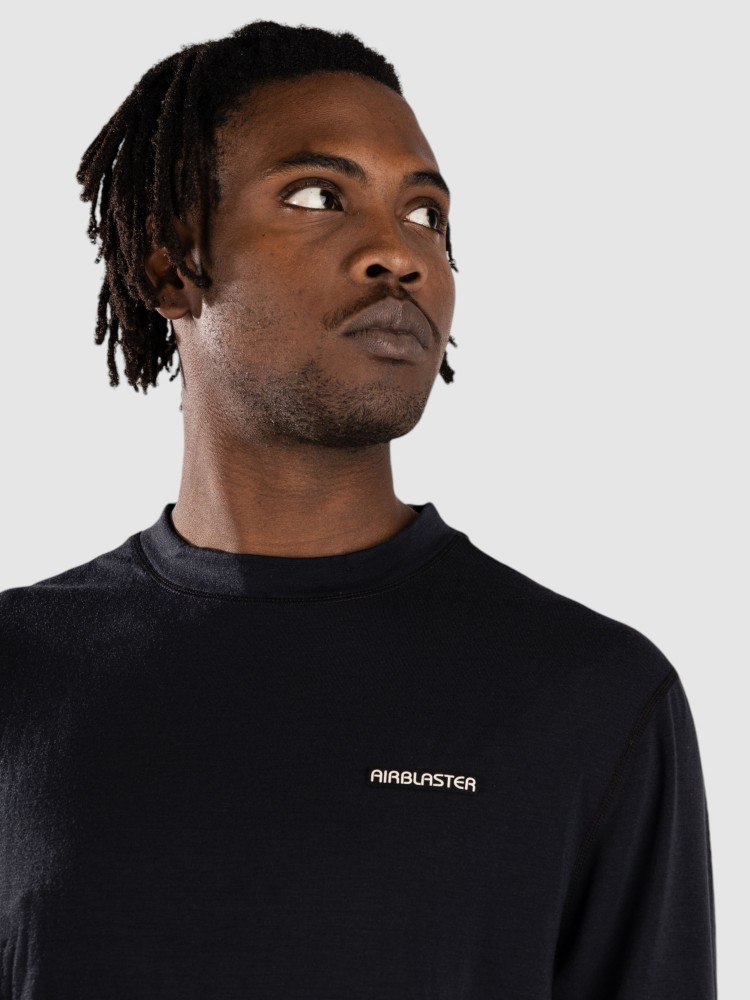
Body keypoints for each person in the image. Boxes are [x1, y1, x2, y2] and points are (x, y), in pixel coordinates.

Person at [0, 20, 716, 1000]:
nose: (399, 252)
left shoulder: (592, 697)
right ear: (170, 264)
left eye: (426, 214)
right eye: (317, 195)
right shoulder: (20, 675)